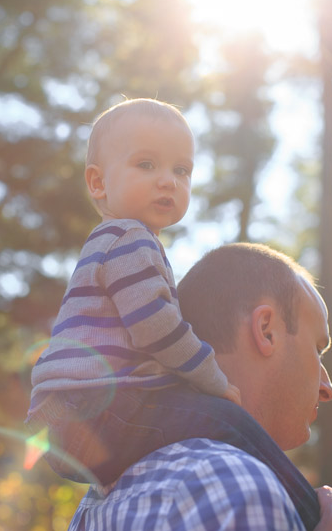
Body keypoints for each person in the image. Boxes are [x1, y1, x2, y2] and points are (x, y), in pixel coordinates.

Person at [26, 97, 240, 486]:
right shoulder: (129, 238)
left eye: (182, 170)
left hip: (63, 415)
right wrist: (215, 379)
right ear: (98, 182)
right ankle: (314, 515)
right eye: (146, 164)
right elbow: (156, 328)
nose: (168, 180)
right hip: (93, 406)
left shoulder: (110, 242)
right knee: (227, 421)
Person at [68, 243, 332, 530]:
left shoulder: (94, 504)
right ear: (266, 329)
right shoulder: (239, 489)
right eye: (318, 349)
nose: (328, 388)